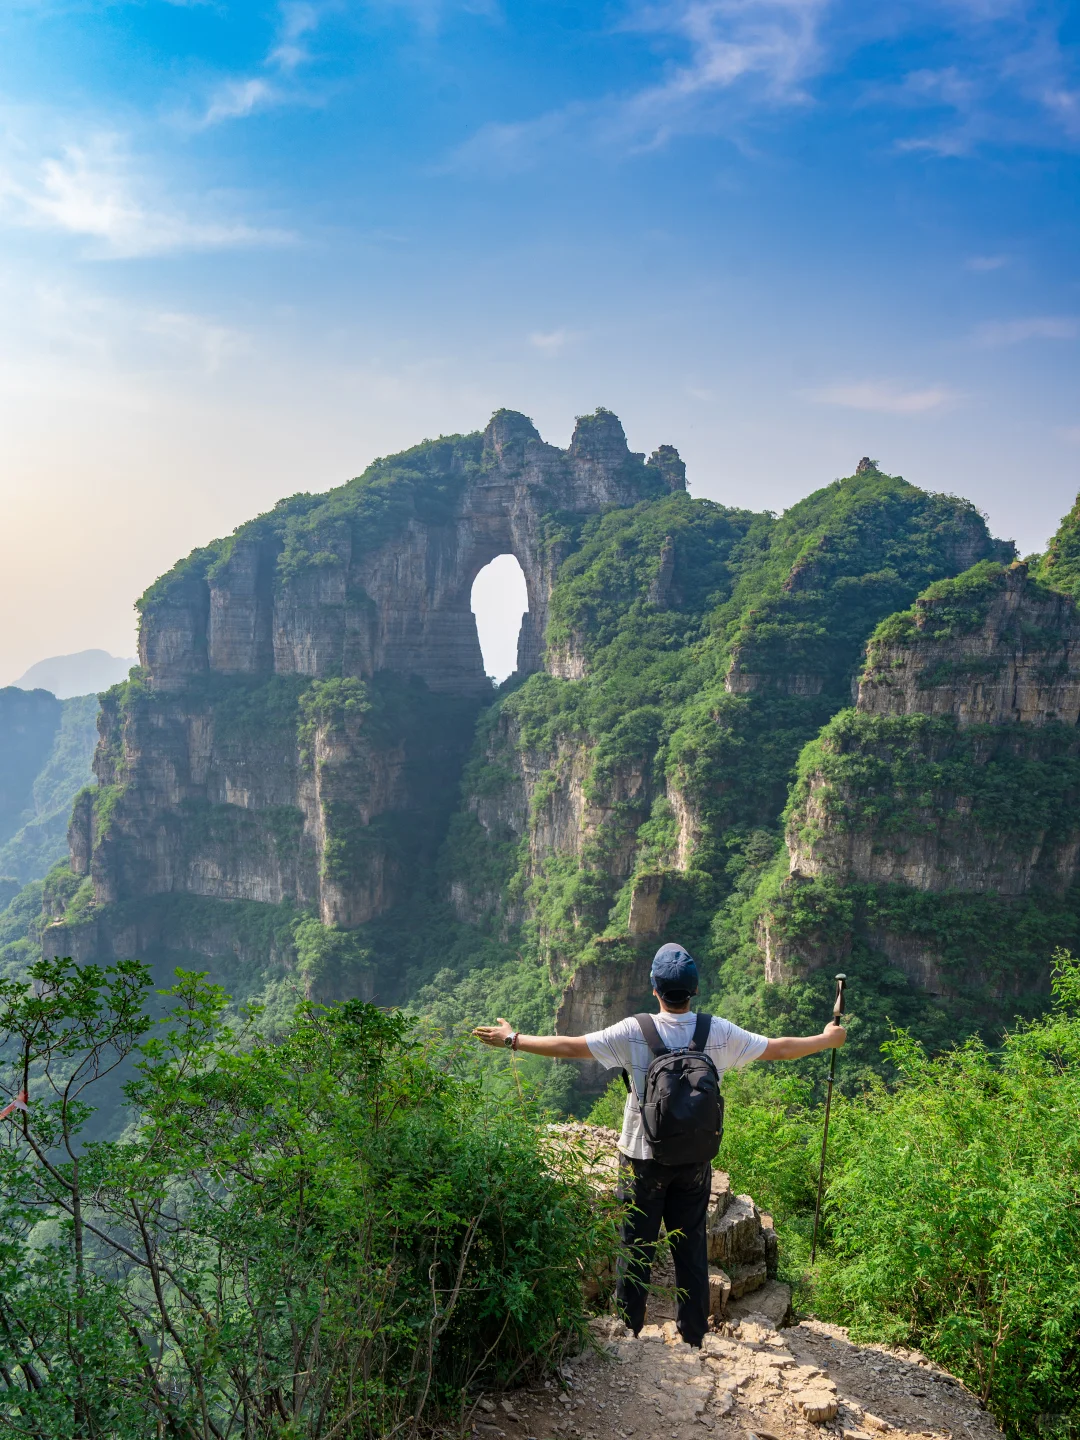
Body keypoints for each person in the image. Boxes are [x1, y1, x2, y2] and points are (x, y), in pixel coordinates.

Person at [473, 941, 846, 1348]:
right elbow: (778, 1048)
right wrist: (825, 1039)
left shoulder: (635, 1030)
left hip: (640, 1158)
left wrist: (513, 1039)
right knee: (691, 1251)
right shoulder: (716, 1031)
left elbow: (571, 1046)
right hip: (694, 1160)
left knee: (635, 1248)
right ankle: (694, 1337)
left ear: (654, 989)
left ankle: (628, 1335)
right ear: (694, 990)